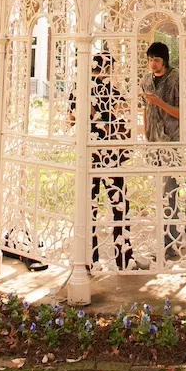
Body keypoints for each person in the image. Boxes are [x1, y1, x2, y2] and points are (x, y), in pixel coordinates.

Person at [70, 54, 134, 271]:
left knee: (90, 206)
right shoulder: (106, 89)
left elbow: (69, 118)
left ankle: (90, 257)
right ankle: (123, 256)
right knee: (120, 205)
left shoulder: (78, 88)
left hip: (86, 156)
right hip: (108, 155)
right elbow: (123, 112)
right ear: (106, 68)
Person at [140, 41, 181, 259]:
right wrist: (146, 134)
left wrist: (159, 102)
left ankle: (170, 242)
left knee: (170, 192)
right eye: (149, 60)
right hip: (153, 141)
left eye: (156, 59)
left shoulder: (175, 79)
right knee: (158, 193)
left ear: (164, 60)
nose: (152, 64)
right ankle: (167, 238)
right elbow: (145, 109)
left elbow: (182, 113)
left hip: (171, 141)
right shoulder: (146, 80)